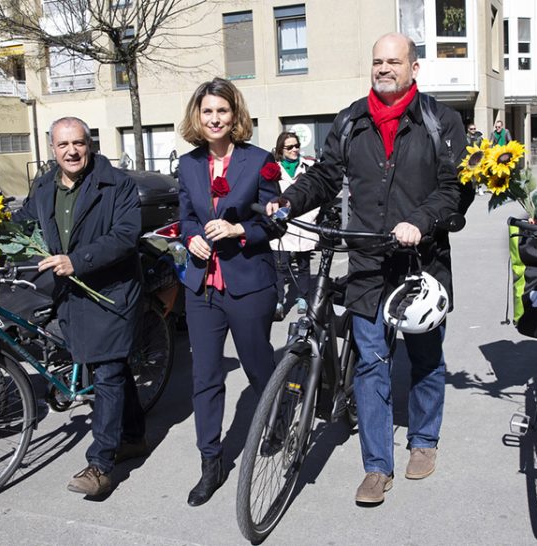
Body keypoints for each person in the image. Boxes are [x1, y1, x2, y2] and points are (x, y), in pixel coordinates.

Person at [268, 32, 473, 505]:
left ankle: (423, 439)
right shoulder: (350, 121)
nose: (384, 68)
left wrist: (420, 221)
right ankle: (377, 466)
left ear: (413, 68)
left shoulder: (440, 120)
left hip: (421, 261)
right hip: (367, 262)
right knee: (371, 363)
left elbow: (455, 188)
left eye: (393, 61)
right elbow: (325, 176)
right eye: (378, 61)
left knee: (425, 357)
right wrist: (289, 200)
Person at [0, 116, 147, 497]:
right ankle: (133, 435)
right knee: (110, 365)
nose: (72, 151)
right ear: (53, 149)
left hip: (111, 291)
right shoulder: (45, 186)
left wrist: (78, 260)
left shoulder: (117, 184)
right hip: (72, 294)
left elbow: (126, 236)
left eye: (78, 143)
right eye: (63, 145)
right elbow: (20, 223)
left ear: (90, 145)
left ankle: (100, 466)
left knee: (107, 371)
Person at [177, 77, 280, 507]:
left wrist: (239, 229)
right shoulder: (187, 165)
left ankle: (276, 418)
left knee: (258, 366)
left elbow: (276, 221)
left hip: (249, 281)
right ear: (197, 117)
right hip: (202, 286)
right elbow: (185, 218)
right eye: (207, 111)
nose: (215, 118)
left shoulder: (259, 161)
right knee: (205, 376)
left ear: (235, 114)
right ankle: (211, 461)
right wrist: (191, 239)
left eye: (222, 110)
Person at [270, 131, 318, 319]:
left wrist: (312, 215)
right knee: (280, 266)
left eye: (296, 145)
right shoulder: (273, 170)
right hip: (281, 225)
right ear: (280, 149)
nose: (294, 150)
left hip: (304, 222)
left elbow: (316, 194)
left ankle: (303, 298)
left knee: (304, 264)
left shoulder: (308, 167)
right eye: (289, 147)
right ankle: (278, 301)